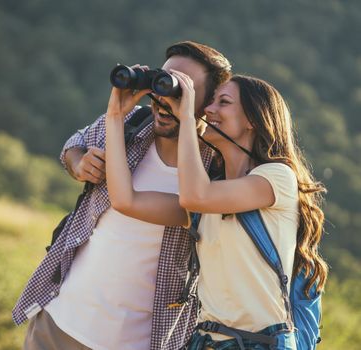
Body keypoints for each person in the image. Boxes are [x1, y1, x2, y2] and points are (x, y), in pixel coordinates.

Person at [12, 41, 232, 350]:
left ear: (207, 103)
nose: (164, 98)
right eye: (163, 81)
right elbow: (74, 144)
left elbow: (127, 201)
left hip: (137, 341)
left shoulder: (216, 172)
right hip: (59, 320)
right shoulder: (132, 123)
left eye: (181, 90)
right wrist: (78, 163)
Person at [105, 72, 328, 349]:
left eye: (223, 102)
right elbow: (125, 200)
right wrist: (115, 116)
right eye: (210, 102)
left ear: (253, 120)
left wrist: (187, 118)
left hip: (261, 342)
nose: (208, 109)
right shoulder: (205, 201)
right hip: (207, 341)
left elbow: (196, 195)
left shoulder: (278, 178)